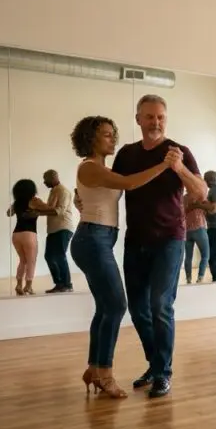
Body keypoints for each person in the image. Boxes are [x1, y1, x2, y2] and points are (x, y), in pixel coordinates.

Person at [70, 115, 177, 398]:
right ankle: (104, 372)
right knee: (116, 306)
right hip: (92, 239)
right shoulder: (91, 167)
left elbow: (98, 194)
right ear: (90, 139)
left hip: (98, 238)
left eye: (112, 133)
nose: (112, 138)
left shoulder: (98, 169)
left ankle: (95, 369)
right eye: (106, 134)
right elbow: (129, 184)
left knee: (106, 308)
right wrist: (165, 164)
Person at [112, 94, 208, 398]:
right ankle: (155, 364)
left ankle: (164, 372)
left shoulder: (179, 151)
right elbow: (114, 187)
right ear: (138, 119)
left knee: (160, 306)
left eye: (161, 117)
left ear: (166, 119)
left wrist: (179, 168)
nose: (155, 122)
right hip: (135, 240)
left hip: (169, 239)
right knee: (139, 309)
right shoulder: (126, 154)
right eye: (150, 116)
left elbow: (200, 191)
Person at [6, 179, 49, 296]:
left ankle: (19, 285)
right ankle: (28, 287)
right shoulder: (34, 200)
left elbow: (8, 213)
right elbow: (49, 208)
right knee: (31, 261)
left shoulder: (16, 203)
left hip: (16, 234)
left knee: (22, 261)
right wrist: (37, 210)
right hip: (29, 234)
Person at [41, 169, 76, 293]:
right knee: (49, 256)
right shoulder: (54, 191)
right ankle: (59, 283)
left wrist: (38, 212)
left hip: (63, 228)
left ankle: (67, 284)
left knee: (59, 256)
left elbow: (59, 211)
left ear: (54, 177)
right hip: (53, 229)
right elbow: (50, 209)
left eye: (46, 180)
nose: (44, 182)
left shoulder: (63, 191)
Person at [182, 191, 209, 284]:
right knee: (205, 254)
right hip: (199, 227)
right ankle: (200, 277)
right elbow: (208, 210)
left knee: (188, 256)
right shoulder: (201, 196)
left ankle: (188, 278)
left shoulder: (184, 198)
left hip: (187, 230)